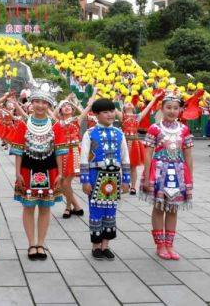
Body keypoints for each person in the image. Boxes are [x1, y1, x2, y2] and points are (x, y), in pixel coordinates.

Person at [9, 80, 66, 261]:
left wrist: (62, 174)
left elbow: (59, 151)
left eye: (44, 102)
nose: (40, 105)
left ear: (48, 105)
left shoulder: (56, 125)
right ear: (31, 103)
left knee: (45, 208)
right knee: (28, 206)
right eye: (37, 101)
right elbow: (18, 150)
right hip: (27, 170)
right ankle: (31, 243)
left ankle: (41, 243)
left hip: (50, 171)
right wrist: (17, 173)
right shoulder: (23, 124)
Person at [141, 90, 194, 261]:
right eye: (169, 107)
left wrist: (189, 179)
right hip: (158, 173)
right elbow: (148, 154)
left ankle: (170, 244)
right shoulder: (154, 128)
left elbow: (188, 155)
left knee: (173, 209)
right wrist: (148, 177)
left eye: (176, 108)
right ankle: (160, 245)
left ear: (180, 110)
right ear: (161, 109)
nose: (172, 111)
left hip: (178, 174)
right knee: (159, 208)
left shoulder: (184, 129)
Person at [80, 98, 130, 261]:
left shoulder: (119, 133)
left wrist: (126, 180)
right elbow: (84, 158)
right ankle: (95, 246)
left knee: (110, 211)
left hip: (114, 177)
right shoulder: (90, 134)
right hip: (96, 175)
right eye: (105, 112)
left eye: (112, 111)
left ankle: (105, 245)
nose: (110, 114)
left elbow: (125, 157)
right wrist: (85, 180)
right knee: (95, 211)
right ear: (96, 114)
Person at [53, 95, 94, 218]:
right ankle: (76, 206)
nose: (67, 107)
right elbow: (53, 113)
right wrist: (62, 101)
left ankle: (68, 207)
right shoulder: (58, 123)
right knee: (62, 183)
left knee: (66, 183)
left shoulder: (76, 119)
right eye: (64, 107)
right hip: (61, 154)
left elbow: (88, 108)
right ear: (60, 110)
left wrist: (92, 97)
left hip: (73, 152)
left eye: (69, 106)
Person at [119, 94, 160, 195]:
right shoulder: (122, 116)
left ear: (134, 107)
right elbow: (110, 106)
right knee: (123, 165)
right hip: (124, 143)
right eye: (126, 103)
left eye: (130, 103)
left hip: (135, 143)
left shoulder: (138, 117)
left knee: (133, 166)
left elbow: (148, 107)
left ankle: (133, 187)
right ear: (123, 108)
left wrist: (154, 98)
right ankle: (125, 183)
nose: (129, 103)